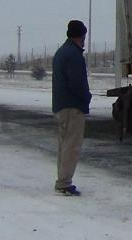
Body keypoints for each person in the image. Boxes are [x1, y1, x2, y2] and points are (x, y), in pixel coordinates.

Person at [52, 20, 92, 196]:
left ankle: (62, 180)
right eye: (84, 36)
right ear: (80, 36)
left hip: (61, 105)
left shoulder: (62, 52)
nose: (84, 40)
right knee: (72, 145)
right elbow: (77, 83)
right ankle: (64, 183)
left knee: (64, 144)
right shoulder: (74, 55)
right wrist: (86, 97)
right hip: (72, 106)